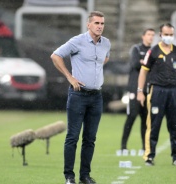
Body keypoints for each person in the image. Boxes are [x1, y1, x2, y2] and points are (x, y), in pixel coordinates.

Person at [50, 11, 111, 184]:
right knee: (73, 136)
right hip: (78, 95)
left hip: (96, 97)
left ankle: (85, 175)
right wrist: (70, 77)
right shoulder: (77, 41)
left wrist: (94, 74)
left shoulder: (106, 43)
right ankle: (69, 176)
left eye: (102, 23)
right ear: (88, 24)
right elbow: (55, 55)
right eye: (97, 23)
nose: (100, 26)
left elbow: (104, 59)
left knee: (90, 139)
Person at [137, 23, 176, 166]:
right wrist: (140, 91)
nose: (169, 37)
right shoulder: (154, 51)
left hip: (174, 91)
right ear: (160, 35)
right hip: (157, 91)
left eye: (171, 34)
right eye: (166, 34)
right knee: (154, 125)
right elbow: (143, 71)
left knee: (175, 125)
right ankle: (149, 156)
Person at [121, 28, 155, 155]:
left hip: (147, 90)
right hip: (134, 90)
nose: (151, 37)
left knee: (145, 120)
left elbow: (153, 65)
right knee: (131, 117)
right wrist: (147, 63)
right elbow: (135, 64)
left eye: (153, 35)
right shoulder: (136, 49)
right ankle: (123, 146)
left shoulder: (153, 51)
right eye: (149, 34)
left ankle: (144, 147)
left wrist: (144, 63)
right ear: (143, 36)